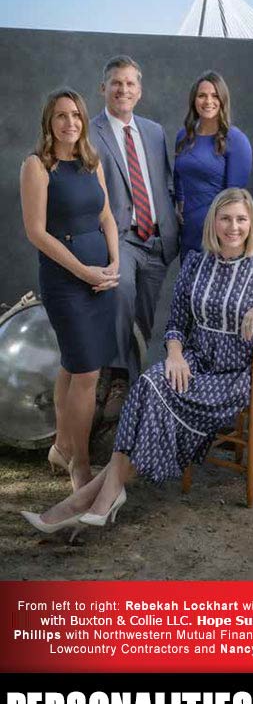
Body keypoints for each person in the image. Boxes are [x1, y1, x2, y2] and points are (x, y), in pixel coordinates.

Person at [21, 188, 253, 536]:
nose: (233, 227)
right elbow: (177, 323)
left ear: (251, 223)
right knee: (151, 382)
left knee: (156, 400)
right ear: (214, 222)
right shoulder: (196, 263)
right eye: (225, 218)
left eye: (241, 219)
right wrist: (176, 354)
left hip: (236, 377)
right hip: (195, 364)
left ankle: (83, 502)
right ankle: (101, 499)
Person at [20, 88, 119, 490]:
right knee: (87, 372)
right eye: (61, 116)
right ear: (49, 122)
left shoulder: (91, 163)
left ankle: (61, 448)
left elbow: (107, 216)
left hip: (101, 280)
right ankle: (80, 464)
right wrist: (84, 271)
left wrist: (114, 263)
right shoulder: (36, 166)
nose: (70, 123)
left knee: (72, 364)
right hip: (66, 281)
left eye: (76, 115)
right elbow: (36, 233)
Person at [89, 55, 179, 419]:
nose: (123, 89)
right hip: (119, 237)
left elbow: (165, 181)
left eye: (130, 84)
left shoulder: (154, 131)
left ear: (139, 92)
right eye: (116, 83)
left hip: (157, 239)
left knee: (146, 316)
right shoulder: (89, 132)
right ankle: (118, 377)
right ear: (104, 88)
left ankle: (135, 384)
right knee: (120, 293)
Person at [174, 71, 252, 260]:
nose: (208, 101)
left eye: (215, 95)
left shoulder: (236, 140)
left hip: (218, 234)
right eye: (202, 95)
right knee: (190, 286)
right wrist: (179, 204)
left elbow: (234, 198)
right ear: (194, 100)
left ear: (223, 100)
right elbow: (178, 176)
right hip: (189, 229)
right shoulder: (183, 136)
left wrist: (222, 232)